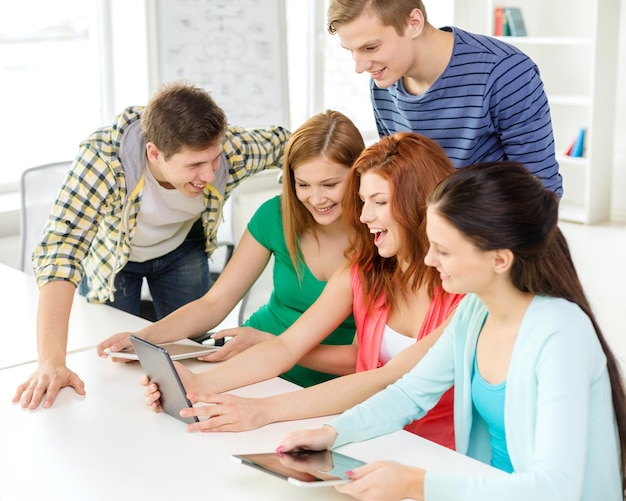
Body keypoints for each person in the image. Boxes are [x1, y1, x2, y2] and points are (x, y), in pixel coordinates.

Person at [278, 161, 626, 501]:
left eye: (443, 250)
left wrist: (418, 485)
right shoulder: (474, 311)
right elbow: (409, 395)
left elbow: (554, 488)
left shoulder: (562, 335)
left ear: (500, 260)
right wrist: (332, 432)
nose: (429, 259)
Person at [143, 132, 464, 450]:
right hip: (366, 437)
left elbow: (389, 378)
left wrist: (263, 411)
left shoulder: (465, 295)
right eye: (363, 201)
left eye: (379, 202)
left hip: (433, 452)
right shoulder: (362, 273)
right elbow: (285, 347)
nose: (364, 216)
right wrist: (198, 385)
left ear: (420, 203)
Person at [13, 81, 290, 410]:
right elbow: (61, 249)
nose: (210, 173)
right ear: (154, 153)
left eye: (213, 159)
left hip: (182, 249)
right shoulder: (103, 160)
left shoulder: (232, 149)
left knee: (187, 355)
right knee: (113, 360)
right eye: (193, 166)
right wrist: (50, 362)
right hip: (116, 261)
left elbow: (292, 144)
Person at [97, 110, 365, 388]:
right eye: (303, 185)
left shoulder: (381, 239)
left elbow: (357, 359)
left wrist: (271, 344)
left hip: (322, 379)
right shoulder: (276, 215)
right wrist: (144, 338)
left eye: (330, 184)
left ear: (360, 174)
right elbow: (214, 303)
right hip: (252, 357)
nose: (316, 198)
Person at [326, 0, 563, 196]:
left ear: (414, 23)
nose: (360, 67)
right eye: (351, 51)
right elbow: (398, 178)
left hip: (492, 239)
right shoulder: (383, 81)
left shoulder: (504, 71)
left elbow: (541, 192)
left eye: (371, 48)